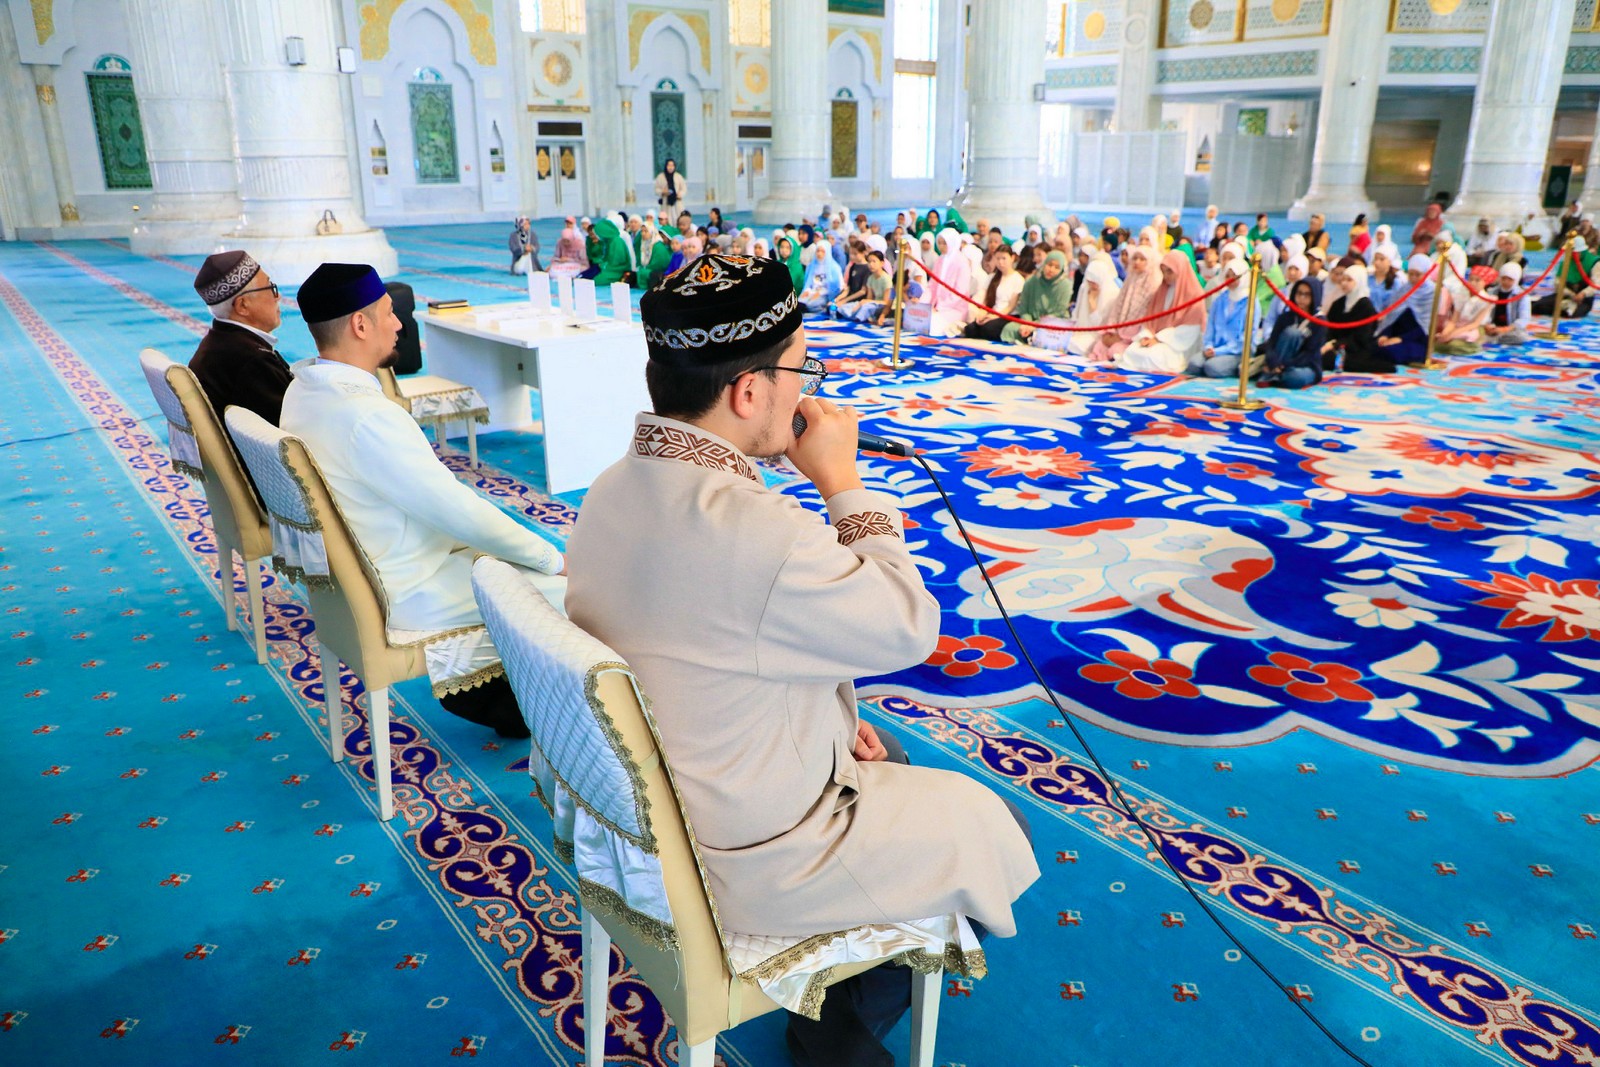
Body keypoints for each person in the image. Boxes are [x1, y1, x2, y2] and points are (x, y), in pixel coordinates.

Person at [565, 253, 1036, 1065]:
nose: (808, 392)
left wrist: (830, 725)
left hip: (650, 814)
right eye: (800, 370)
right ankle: (835, 1035)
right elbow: (907, 626)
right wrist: (843, 482)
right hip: (746, 854)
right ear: (749, 392)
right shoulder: (758, 531)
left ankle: (835, 1010)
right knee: (997, 822)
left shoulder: (611, 487)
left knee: (891, 753)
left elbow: (709, 641)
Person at [279, 263, 563, 737]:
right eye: (389, 313)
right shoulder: (364, 416)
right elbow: (458, 509)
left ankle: (512, 704)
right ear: (360, 324)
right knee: (574, 592)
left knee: (507, 562)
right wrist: (552, 558)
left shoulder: (301, 390)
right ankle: (551, 717)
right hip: (411, 584)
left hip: (370, 572)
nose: (399, 324)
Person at [188, 250, 292, 426]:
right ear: (243, 305)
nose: (278, 296)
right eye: (270, 288)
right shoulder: (252, 361)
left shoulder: (215, 344)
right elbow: (294, 427)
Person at [1111, 249, 1208, 374]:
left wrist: (1159, 338)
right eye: (1163, 271)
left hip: (1177, 344)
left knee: (1153, 356)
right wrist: (1146, 336)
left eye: (1170, 271)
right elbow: (1149, 320)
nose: (1166, 276)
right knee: (1132, 351)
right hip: (1155, 338)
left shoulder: (1194, 294)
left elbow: (1191, 329)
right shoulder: (1161, 291)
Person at [1087, 244, 1160, 361]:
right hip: (1117, 331)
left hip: (1134, 337)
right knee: (1099, 346)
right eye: (1135, 258)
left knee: (1116, 351)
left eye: (1142, 259)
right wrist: (1111, 331)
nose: (1137, 262)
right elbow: (1117, 308)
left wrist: (1123, 337)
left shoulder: (1154, 284)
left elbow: (1145, 317)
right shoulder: (1130, 279)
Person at [1257, 279, 1326, 389]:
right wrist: (1274, 361)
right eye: (1299, 293)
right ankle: (1275, 374)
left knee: (1297, 377)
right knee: (1291, 333)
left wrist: (1285, 365)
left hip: (1303, 365)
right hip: (1280, 360)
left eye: (1307, 294)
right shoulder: (1285, 317)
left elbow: (1310, 353)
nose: (1302, 298)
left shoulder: (1319, 321)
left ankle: (1273, 375)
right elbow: (1272, 343)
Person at [1000, 250, 1074, 345]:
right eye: (1049, 265)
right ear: (1044, 264)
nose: (1051, 270)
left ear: (1061, 270)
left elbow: (1058, 313)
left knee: (1046, 334)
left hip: (1052, 325)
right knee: (1009, 328)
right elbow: (1024, 308)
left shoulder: (1065, 286)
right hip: (1029, 322)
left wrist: (1035, 326)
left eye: (1056, 267)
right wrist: (1028, 324)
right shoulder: (1032, 281)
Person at [1376, 255, 1439, 366]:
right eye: (1410, 274)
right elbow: (1392, 316)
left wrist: (1400, 339)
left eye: (1417, 274)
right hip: (1395, 335)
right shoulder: (1404, 289)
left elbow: (1425, 327)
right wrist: (1385, 334)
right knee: (1371, 345)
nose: (1413, 278)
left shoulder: (1431, 293)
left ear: (1426, 273)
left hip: (1416, 340)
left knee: (1390, 352)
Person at [1323, 262, 1386, 373]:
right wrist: (1328, 343)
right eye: (1343, 279)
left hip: (1356, 349)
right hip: (1335, 346)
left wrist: (1335, 345)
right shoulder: (1338, 303)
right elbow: (1329, 328)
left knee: (1331, 359)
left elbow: (1361, 338)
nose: (1344, 283)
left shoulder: (1366, 306)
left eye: (1349, 280)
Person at [1199, 259, 1254, 378]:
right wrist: (1208, 346)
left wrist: (1219, 351)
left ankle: (1236, 367)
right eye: (1227, 276)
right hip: (1215, 348)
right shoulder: (1220, 299)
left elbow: (1246, 337)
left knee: (1211, 367)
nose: (1230, 279)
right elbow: (1210, 327)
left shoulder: (1250, 302)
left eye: (1235, 276)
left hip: (1236, 351)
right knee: (1195, 365)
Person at [1062, 253, 1121, 357]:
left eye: (1094, 282)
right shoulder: (1084, 288)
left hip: (1096, 336)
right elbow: (1076, 314)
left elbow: (1101, 327)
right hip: (1078, 332)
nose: (1091, 285)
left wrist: (1092, 303)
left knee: (1074, 345)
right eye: (1089, 281)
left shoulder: (1112, 293)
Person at [962, 244, 1024, 341]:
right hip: (991, 312)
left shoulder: (1018, 279)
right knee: (970, 329)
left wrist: (994, 316)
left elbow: (1010, 307)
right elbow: (986, 301)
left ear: (1012, 258)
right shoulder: (992, 277)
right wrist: (982, 313)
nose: (1000, 262)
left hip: (1007, 315)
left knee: (988, 329)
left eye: (1004, 258)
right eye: (998, 259)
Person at [1434, 265, 1495, 355]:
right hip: (1458, 325)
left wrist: (1452, 334)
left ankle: (1473, 345)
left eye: (1477, 280)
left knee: (1454, 345)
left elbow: (1475, 324)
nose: (1473, 283)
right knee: (1437, 342)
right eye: (1471, 279)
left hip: (1473, 328)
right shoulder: (1462, 294)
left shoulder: (1487, 300)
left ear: (1485, 282)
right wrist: (1445, 333)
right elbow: (1454, 320)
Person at [928, 228, 972, 337]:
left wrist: (940, 307)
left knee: (933, 323)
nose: (941, 246)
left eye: (944, 243)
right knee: (920, 319)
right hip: (936, 306)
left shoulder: (962, 261)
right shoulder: (939, 260)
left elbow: (960, 292)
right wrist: (924, 304)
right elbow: (931, 286)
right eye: (939, 243)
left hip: (955, 308)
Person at [1484, 263, 1533, 346]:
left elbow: (1524, 318)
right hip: (1492, 326)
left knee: (1520, 337)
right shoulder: (1491, 292)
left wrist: (1505, 329)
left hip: (1510, 329)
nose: (1506, 282)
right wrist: (1486, 325)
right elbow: (1484, 313)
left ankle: (1494, 338)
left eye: (1510, 279)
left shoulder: (1522, 296)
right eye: (1503, 278)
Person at [797, 234, 843, 313]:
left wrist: (820, 292)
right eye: (818, 251)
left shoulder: (834, 267)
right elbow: (808, 283)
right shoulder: (811, 266)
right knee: (799, 303)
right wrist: (807, 291)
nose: (819, 253)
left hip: (825, 294)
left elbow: (837, 286)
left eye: (822, 251)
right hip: (811, 292)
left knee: (811, 305)